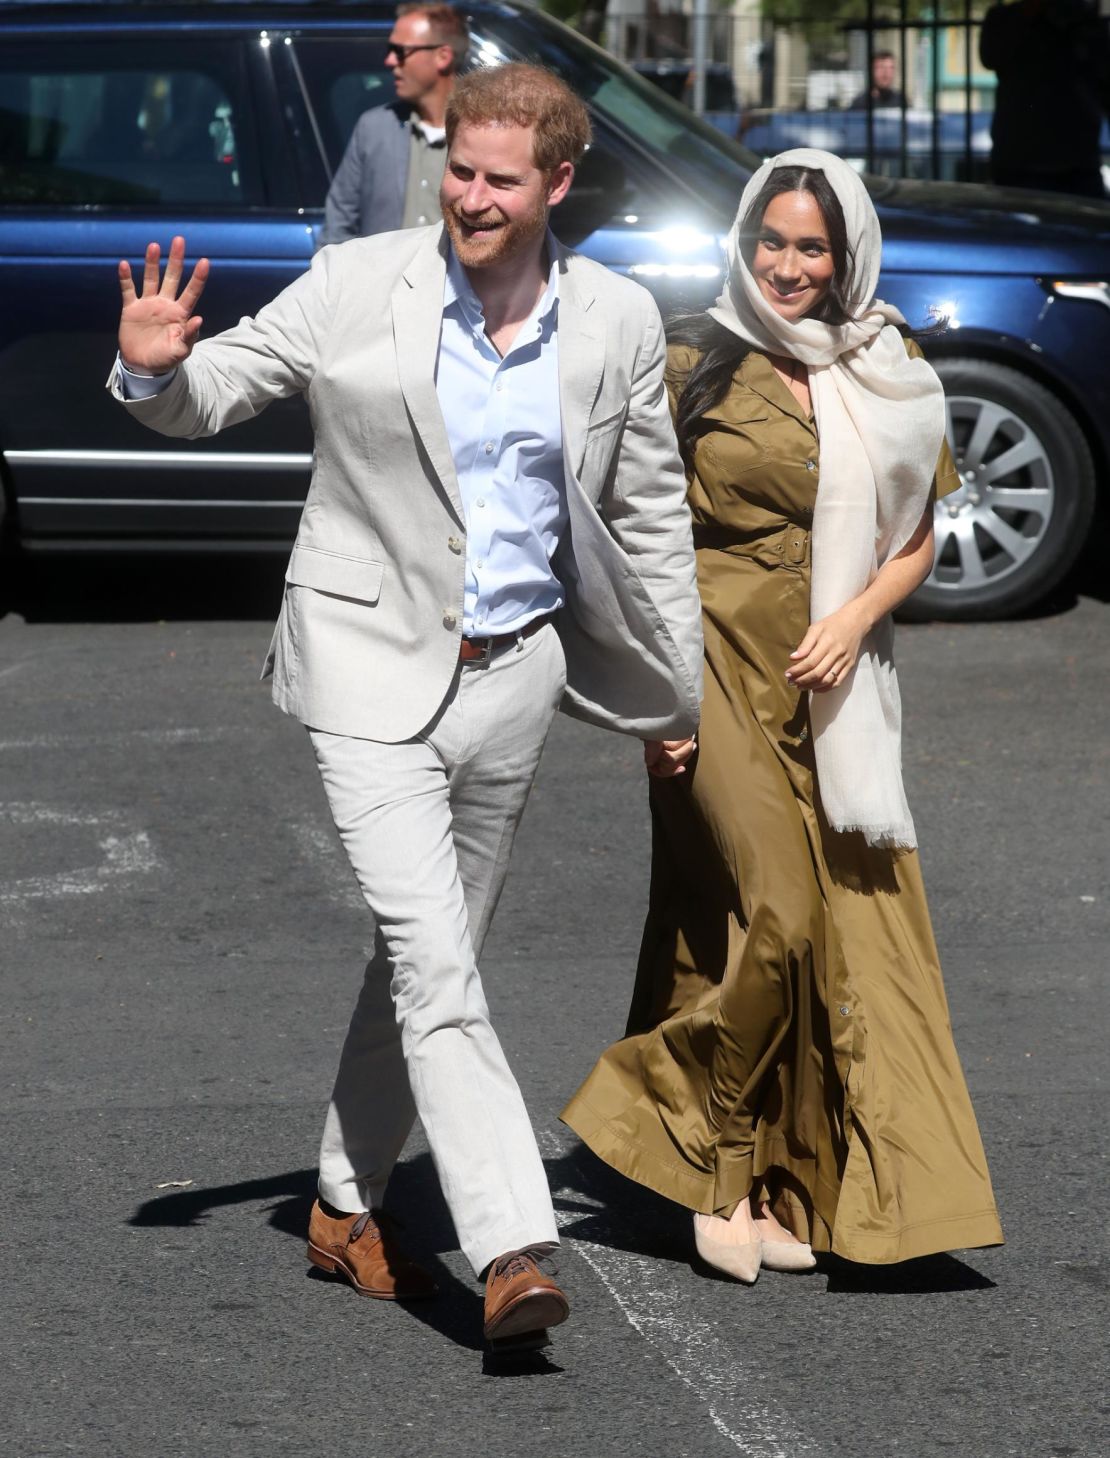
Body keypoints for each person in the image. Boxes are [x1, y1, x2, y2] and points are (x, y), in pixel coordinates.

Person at [106, 62, 702, 1350]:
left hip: (518, 673)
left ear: (556, 184)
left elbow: (648, 514)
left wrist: (674, 690)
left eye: (499, 180)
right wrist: (152, 372)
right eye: (460, 173)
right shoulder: (363, 280)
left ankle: (340, 1202)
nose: (471, 199)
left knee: (426, 959)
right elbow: (217, 392)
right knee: (436, 962)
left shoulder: (614, 318)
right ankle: (510, 1246)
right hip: (363, 665)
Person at [562, 147, 1004, 1282]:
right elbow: (617, 522)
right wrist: (650, 697)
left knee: (776, 933)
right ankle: (674, 1133)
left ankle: (766, 1183)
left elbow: (914, 538)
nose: (790, 265)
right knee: (779, 914)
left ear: (847, 254)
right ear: (744, 244)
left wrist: (855, 619)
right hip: (705, 659)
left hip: (829, 681)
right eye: (773, 242)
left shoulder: (891, 368)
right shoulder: (691, 357)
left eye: (813, 246)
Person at [320, 3, 468, 244]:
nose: (389, 61)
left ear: (443, 56)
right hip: (380, 281)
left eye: (400, 51)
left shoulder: (481, 134)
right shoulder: (374, 128)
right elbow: (338, 224)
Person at [981, 0, 1110, 198]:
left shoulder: (1085, 23)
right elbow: (990, 56)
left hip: (1078, 164)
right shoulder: (1008, 20)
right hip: (1022, 166)